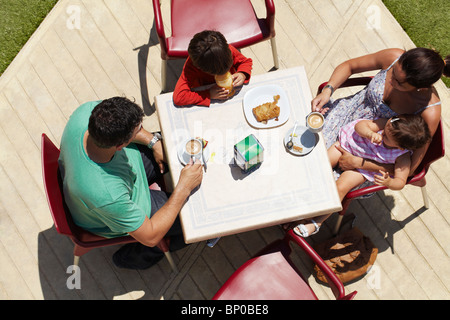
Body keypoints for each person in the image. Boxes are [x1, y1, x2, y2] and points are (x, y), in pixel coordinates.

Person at [292, 47, 449, 236]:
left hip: (373, 159)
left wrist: (361, 163)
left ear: (420, 88)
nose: (390, 80)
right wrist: (328, 90)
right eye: (393, 72)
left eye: (398, 82)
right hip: (348, 123)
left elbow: (410, 169)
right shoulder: (393, 56)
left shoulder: (428, 111)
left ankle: (304, 218)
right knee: (301, 150)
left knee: (326, 187)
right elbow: (349, 66)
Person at [58, 96, 203, 269]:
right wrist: (183, 188)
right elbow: (150, 237)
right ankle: (136, 258)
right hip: (125, 202)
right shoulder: (107, 195)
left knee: (177, 143)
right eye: (138, 130)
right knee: (194, 219)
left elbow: (132, 132)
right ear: (120, 145)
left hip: (126, 171)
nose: (142, 130)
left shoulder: (88, 112)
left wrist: (154, 142)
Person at [294, 114, 431, 237]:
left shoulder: (403, 157)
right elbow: (360, 126)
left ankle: (317, 221)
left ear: (401, 147)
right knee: (320, 166)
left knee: (341, 188)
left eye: (387, 137)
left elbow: (401, 181)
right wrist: (369, 133)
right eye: (386, 127)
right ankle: (301, 189)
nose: (383, 133)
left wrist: (389, 182)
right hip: (346, 146)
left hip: (362, 170)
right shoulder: (387, 124)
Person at [173, 30, 253, 106]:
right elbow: (179, 97)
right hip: (205, 87)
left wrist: (242, 73)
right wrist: (209, 94)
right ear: (199, 67)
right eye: (216, 73)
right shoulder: (191, 66)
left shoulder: (227, 50)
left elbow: (245, 62)